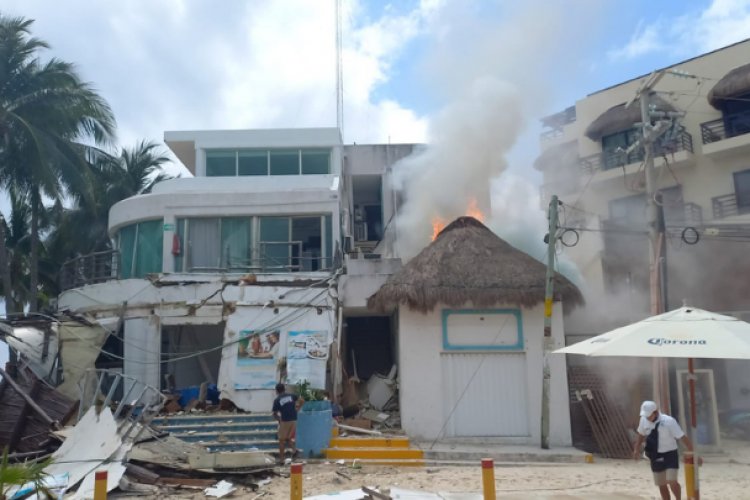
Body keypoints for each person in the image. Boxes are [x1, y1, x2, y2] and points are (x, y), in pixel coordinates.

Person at [632, 400, 695, 500]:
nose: (647, 418)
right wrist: (636, 449)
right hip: (655, 455)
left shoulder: (669, 421)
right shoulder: (643, 420)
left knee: (671, 480)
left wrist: (692, 451)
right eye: (645, 415)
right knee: (661, 483)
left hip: (670, 454)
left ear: (656, 412)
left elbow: (682, 436)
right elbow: (641, 435)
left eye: (649, 415)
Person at [272, 382, 303, 462]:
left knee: (281, 440)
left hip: (286, 420)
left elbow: (274, 414)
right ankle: (295, 451)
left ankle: (282, 460)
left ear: (276, 391)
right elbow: (302, 400)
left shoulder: (277, 400)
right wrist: (298, 409)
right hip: (294, 419)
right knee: (288, 438)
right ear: (284, 389)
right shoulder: (291, 396)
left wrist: (279, 420)